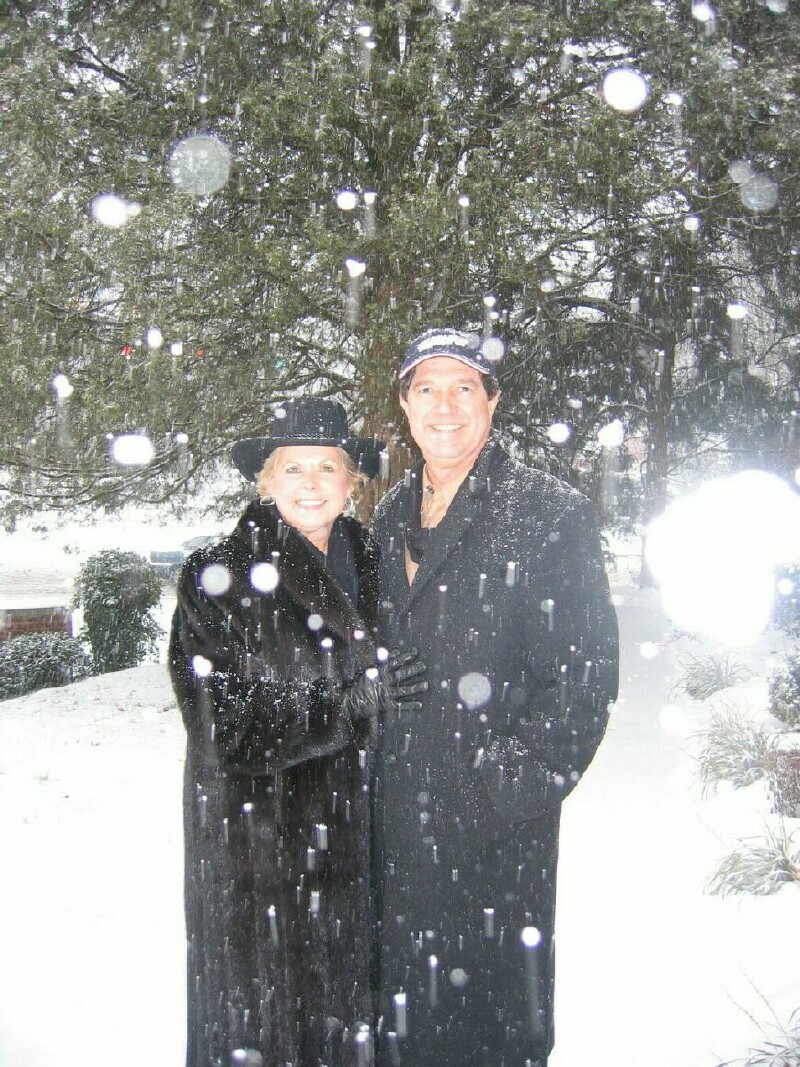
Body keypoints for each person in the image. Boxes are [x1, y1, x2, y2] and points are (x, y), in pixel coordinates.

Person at [369, 329, 620, 1067]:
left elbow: (584, 679)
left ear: (492, 401)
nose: (444, 406)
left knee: (491, 1028)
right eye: (426, 389)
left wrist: (507, 786)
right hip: (395, 834)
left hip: (494, 847)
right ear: (405, 405)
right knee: (402, 1028)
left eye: (464, 388)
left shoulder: (548, 513)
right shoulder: (386, 518)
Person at [169, 398, 427, 1067]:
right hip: (261, 855)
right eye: (293, 467)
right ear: (266, 481)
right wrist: (343, 708)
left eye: (327, 467)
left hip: (358, 846)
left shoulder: (378, 563)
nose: (311, 483)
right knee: (267, 1029)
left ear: (352, 481)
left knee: (346, 1025)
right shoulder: (216, 576)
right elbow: (222, 724)